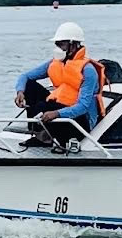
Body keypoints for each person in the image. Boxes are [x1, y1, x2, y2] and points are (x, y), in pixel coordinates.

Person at [14, 22, 104, 150]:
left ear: (73, 45)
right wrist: (20, 92)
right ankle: (42, 136)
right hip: (60, 105)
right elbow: (25, 76)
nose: (58, 48)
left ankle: (59, 138)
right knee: (30, 86)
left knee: (46, 107)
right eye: (56, 44)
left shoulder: (88, 70)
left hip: (81, 119)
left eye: (61, 44)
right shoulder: (54, 63)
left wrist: (57, 113)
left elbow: (83, 106)